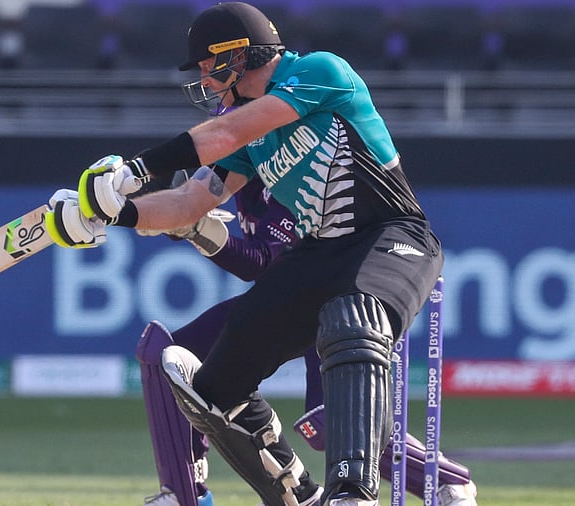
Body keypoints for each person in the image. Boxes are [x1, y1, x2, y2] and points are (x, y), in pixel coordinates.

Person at [46, 2, 452, 505]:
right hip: (318, 255)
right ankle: (299, 494)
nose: (204, 80)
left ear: (238, 55)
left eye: (206, 66)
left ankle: (352, 493)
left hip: (394, 235)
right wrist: (112, 212)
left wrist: (134, 170)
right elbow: (190, 203)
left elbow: (225, 135)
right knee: (211, 386)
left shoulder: (319, 71)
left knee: (353, 317)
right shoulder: (243, 125)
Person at [134, 173, 475, 506]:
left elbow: (261, 263)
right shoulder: (237, 165)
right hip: (278, 304)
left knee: (326, 424)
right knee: (165, 355)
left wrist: (200, 233)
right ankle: (185, 491)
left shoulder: (289, 171)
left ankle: (444, 479)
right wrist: (131, 206)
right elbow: (181, 187)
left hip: (332, 301)